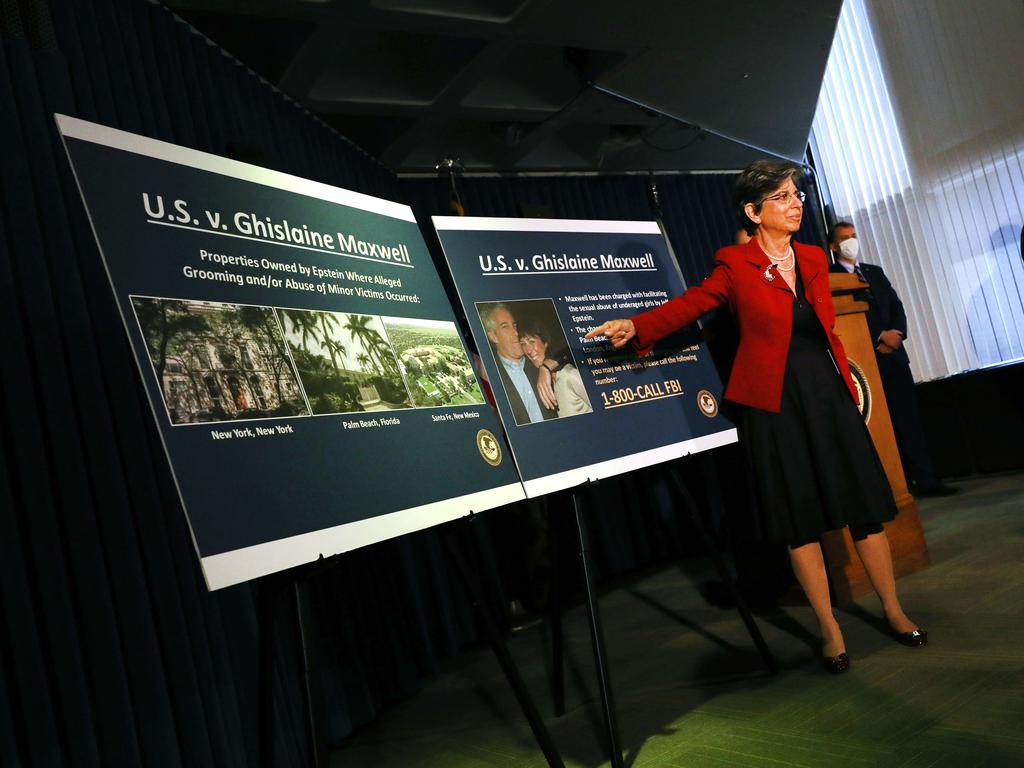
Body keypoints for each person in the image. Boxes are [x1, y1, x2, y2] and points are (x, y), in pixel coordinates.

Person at [586, 159, 927, 673]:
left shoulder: (813, 258)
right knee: (800, 522)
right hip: (775, 407)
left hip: (828, 399)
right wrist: (636, 325)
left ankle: (894, 609)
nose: (796, 204)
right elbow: (690, 305)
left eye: (797, 195)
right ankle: (830, 630)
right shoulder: (734, 265)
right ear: (753, 210)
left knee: (865, 507)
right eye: (783, 197)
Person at [828, 222, 957, 497]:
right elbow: (845, 317)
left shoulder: (874, 272)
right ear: (833, 246)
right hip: (867, 362)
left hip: (895, 359)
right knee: (881, 429)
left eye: (854, 236)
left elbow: (896, 306)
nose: (851, 241)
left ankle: (926, 480)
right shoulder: (831, 277)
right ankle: (894, 486)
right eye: (845, 238)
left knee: (910, 420)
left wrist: (897, 334)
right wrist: (878, 336)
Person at [480, 303, 556, 425]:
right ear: (493, 336)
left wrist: (545, 367)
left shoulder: (537, 361)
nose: (516, 332)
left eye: (514, 325)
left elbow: (564, 355)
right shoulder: (489, 375)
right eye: (505, 326)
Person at [518, 322, 593, 418]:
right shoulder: (547, 383)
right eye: (523, 344)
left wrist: (545, 367)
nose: (528, 350)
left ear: (545, 343)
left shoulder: (570, 375)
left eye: (532, 341)